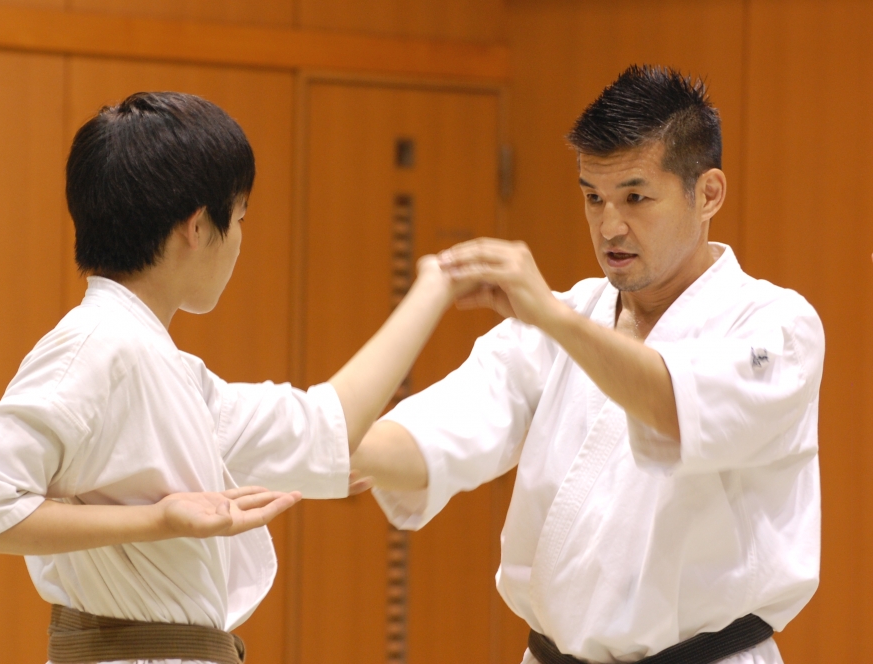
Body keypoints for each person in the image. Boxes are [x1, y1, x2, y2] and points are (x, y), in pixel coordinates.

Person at [0, 91, 458, 664]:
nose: (241, 240)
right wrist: (156, 519)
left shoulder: (159, 364)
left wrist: (436, 284)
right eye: (242, 218)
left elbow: (326, 425)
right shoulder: (96, 345)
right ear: (199, 227)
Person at [352, 65, 823, 664]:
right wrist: (334, 448)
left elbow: (674, 408)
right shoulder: (566, 318)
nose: (609, 226)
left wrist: (553, 319)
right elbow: (442, 428)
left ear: (707, 194)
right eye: (593, 197)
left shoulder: (775, 325)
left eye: (635, 197)